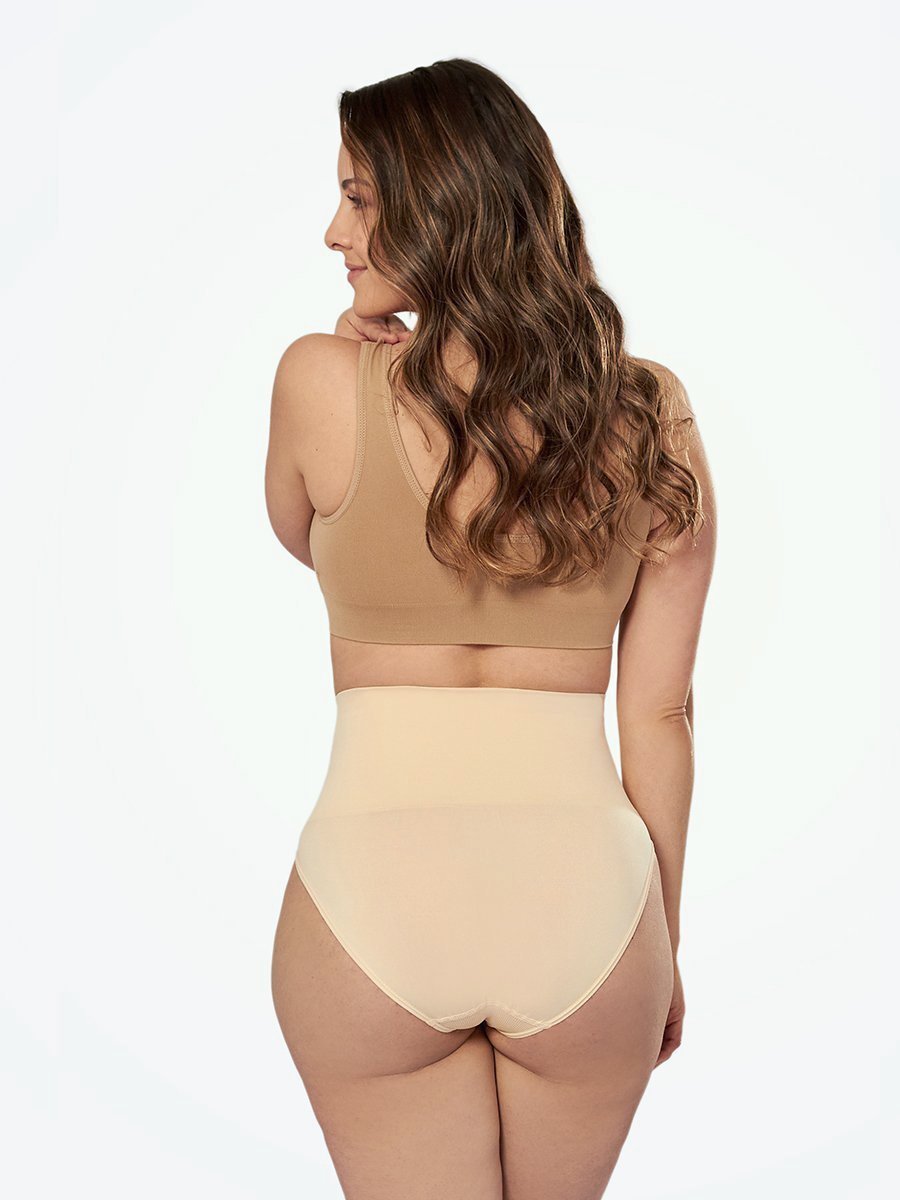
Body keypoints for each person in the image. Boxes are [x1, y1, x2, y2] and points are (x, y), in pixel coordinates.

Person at [265, 57, 716, 1200]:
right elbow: (661, 712)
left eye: (357, 198)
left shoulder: (316, 382)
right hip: (591, 911)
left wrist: (357, 357)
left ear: (440, 206)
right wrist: (659, 941)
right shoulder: (648, 410)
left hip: (371, 901)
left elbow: (306, 541)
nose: (333, 232)